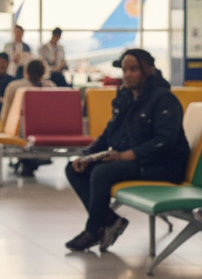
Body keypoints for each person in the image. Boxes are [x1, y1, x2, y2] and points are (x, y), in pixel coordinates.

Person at [65, 49, 189, 252]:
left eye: (133, 69)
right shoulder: (127, 98)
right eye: (124, 70)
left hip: (164, 166)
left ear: (148, 70)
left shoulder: (164, 100)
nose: (127, 75)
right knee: (74, 169)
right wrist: (87, 155)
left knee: (102, 173)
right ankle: (110, 221)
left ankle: (94, 229)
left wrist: (124, 156)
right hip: (136, 161)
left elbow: (165, 141)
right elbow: (108, 134)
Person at [0, 58, 56, 177]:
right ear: (44, 72)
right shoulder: (51, 86)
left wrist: (2, 129)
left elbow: (6, 112)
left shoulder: (15, 87)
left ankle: (26, 161)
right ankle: (29, 162)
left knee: (22, 128)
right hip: (47, 131)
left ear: (26, 72)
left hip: (21, 132)